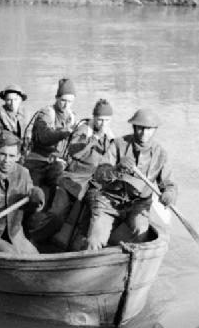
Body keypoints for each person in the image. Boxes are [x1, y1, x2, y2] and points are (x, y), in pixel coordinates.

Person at [85, 108, 177, 251]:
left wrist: (169, 194)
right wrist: (117, 169)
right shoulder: (117, 144)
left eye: (149, 129)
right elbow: (99, 175)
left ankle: (127, 259)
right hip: (108, 203)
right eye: (140, 128)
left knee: (141, 234)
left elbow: (168, 184)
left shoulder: (161, 153)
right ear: (134, 127)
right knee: (94, 241)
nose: (144, 133)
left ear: (155, 130)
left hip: (138, 206)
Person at [30, 98, 115, 245]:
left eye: (106, 120)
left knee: (97, 215)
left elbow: (111, 162)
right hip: (72, 180)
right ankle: (34, 238)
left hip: (92, 184)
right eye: (100, 120)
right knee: (57, 215)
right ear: (94, 117)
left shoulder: (110, 137)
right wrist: (91, 142)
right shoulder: (83, 130)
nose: (103, 124)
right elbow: (73, 152)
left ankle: (85, 248)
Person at [23, 77, 77, 198]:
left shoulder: (72, 117)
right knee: (31, 193)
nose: (66, 105)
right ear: (57, 98)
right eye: (63, 100)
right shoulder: (47, 113)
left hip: (58, 162)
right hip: (37, 160)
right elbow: (44, 137)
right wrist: (64, 132)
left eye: (70, 102)